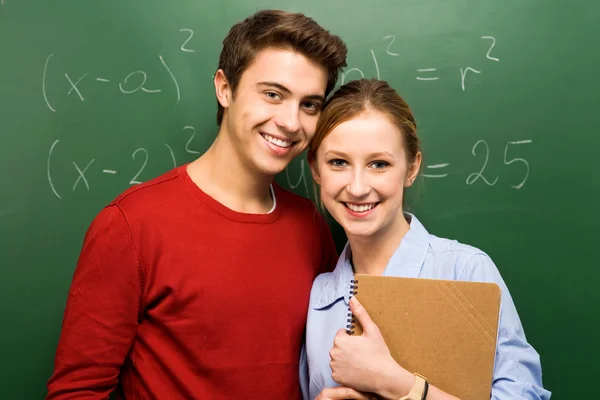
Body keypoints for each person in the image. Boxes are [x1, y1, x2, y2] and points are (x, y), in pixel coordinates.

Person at [46, 10, 347, 400]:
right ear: (225, 88)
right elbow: (77, 392)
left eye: (310, 105)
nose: (291, 122)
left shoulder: (310, 225)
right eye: (273, 94)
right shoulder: (131, 225)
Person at [301, 79, 551, 400]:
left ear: (411, 168)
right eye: (338, 162)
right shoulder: (319, 296)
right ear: (316, 169)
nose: (358, 187)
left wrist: (397, 384)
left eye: (379, 164)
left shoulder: (466, 271)